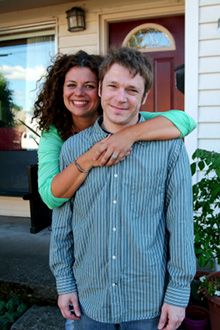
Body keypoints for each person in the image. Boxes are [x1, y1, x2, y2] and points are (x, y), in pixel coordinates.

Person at [50, 47, 196, 330]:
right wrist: (64, 282)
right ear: (101, 89)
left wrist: (178, 294)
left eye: (131, 90)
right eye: (113, 86)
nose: (120, 97)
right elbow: (62, 224)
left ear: (144, 98)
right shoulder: (73, 150)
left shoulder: (170, 148)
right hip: (89, 298)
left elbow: (180, 225)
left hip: (147, 300)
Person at [33, 51, 196, 211]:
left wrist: (128, 135)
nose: (79, 93)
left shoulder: (118, 117)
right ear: (60, 90)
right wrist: (89, 158)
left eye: (88, 86)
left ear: (100, 89)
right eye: (71, 85)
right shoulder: (54, 133)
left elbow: (186, 121)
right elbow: (49, 197)